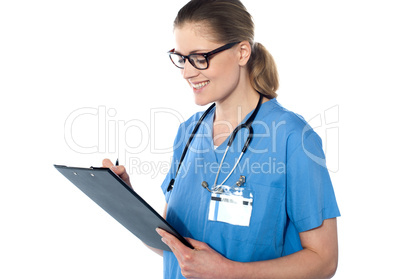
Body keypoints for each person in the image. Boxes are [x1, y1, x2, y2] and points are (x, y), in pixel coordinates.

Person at [103, 0, 340, 278]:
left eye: (200, 57)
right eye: (181, 58)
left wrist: (229, 271)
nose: (187, 72)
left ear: (242, 52)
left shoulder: (292, 137)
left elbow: (324, 260)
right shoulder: (188, 134)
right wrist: (125, 201)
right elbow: (175, 249)